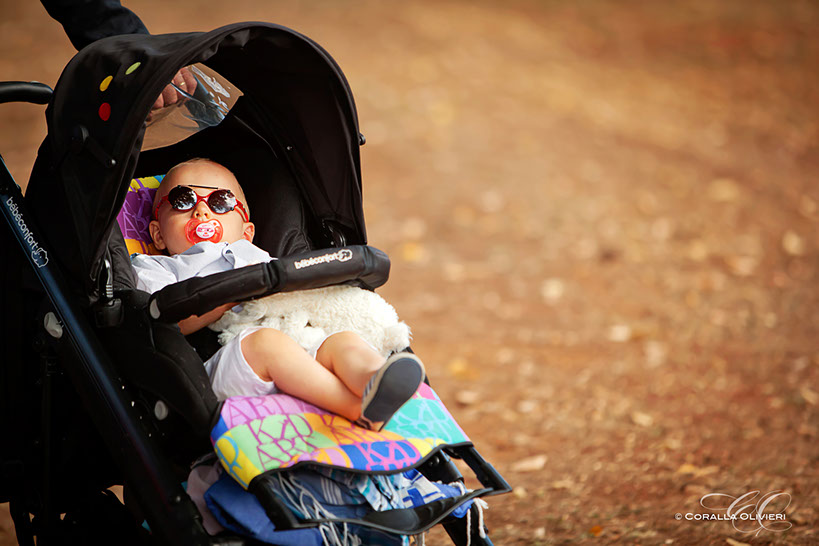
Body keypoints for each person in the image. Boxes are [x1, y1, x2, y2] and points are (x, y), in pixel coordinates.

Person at [131, 159, 425, 431]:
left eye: (221, 201)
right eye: (183, 200)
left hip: (293, 345)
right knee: (265, 344)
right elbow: (163, 321)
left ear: (247, 232)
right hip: (216, 366)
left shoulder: (261, 258)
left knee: (340, 340)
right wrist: (236, 294)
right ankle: (358, 411)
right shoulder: (155, 265)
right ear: (157, 234)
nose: (202, 211)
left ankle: (377, 381)